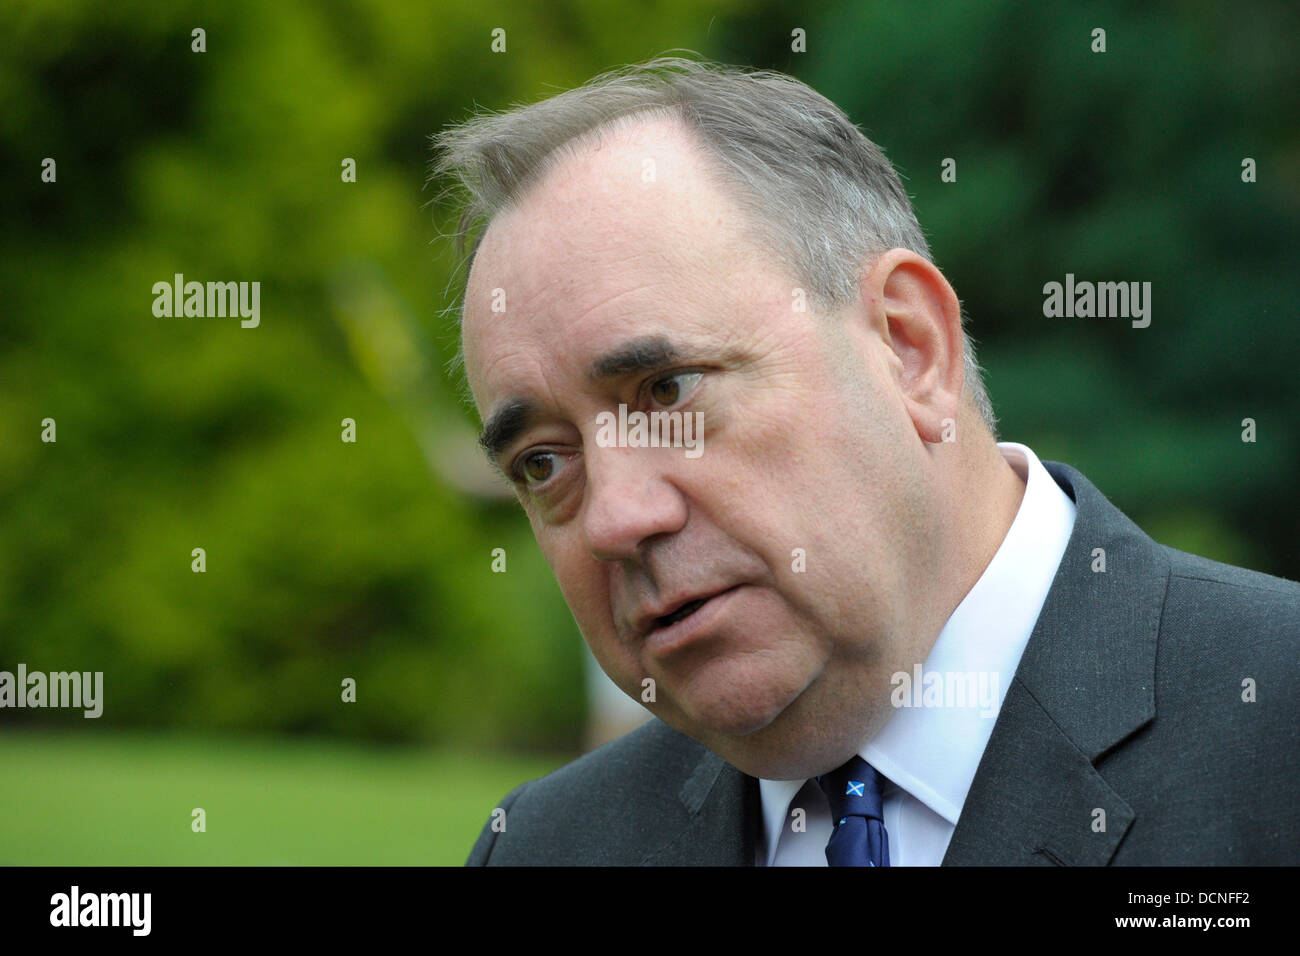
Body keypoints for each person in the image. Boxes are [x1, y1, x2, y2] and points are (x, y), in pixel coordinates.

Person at [433, 56, 1299, 865]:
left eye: (667, 392)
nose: (618, 518)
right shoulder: (549, 847)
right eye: (544, 464)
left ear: (908, 347)